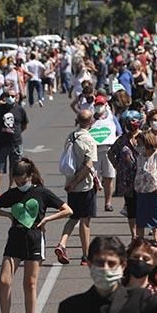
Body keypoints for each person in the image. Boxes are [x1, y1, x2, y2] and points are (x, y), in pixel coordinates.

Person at [0, 158, 72, 313]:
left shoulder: (41, 193)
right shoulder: (13, 194)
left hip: (34, 238)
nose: (20, 183)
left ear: (30, 176)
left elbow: (67, 210)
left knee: (29, 283)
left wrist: (48, 219)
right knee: (4, 281)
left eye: (23, 180)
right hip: (15, 239)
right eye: (17, 180)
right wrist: (8, 214)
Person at [55, 110, 97, 265]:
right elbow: (88, 165)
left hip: (70, 182)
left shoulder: (71, 136)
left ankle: (62, 243)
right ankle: (86, 256)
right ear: (91, 121)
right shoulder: (89, 140)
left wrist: (71, 182)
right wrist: (76, 182)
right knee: (85, 222)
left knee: (73, 217)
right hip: (84, 186)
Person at [0, 86, 28, 197]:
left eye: (12, 96)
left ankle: (12, 187)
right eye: (8, 96)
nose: (10, 98)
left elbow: (24, 125)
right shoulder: (0, 109)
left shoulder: (20, 109)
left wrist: (16, 133)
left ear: (16, 97)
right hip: (2, 142)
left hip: (16, 143)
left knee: (15, 166)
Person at [108, 110, 143, 239]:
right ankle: (134, 235)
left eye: (134, 121)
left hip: (143, 179)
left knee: (143, 208)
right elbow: (111, 153)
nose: (131, 124)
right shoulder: (122, 139)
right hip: (127, 181)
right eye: (129, 122)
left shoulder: (145, 137)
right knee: (131, 208)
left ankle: (142, 234)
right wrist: (117, 166)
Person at [133, 130, 157, 242]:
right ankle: (140, 243)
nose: (138, 146)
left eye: (140, 143)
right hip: (142, 193)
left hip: (156, 194)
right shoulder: (140, 156)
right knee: (140, 222)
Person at [89, 94, 120, 211]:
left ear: (105, 105)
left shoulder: (111, 118)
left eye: (101, 105)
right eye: (97, 105)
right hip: (94, 151)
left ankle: (108, 203)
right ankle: (92, 203)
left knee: (108, 177)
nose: (99, 107)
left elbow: (119, 131)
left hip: (108, 150)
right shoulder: (91, 118)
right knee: (93, 178)